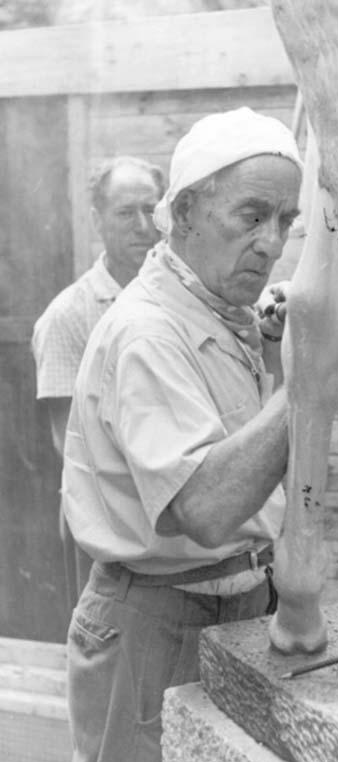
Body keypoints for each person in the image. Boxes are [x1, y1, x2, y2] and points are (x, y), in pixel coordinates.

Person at [61, 107, 338, 762]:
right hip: (153, 626)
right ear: (186, 212)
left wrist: (274, 351)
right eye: (251, 216)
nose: (271, 244)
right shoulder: (147, 334)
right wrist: (306, 383)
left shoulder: (218, 312)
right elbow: (204, 508)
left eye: (286, 222)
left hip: (239, 607)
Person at [31, 156, 165, 605]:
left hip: (173, 528)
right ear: (97, 221)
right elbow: (68, 442)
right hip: (105, 525)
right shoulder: (68, 317)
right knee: (106, 657)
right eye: (126, 213)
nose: (143, 226)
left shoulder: (181, 300)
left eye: (151, 209)